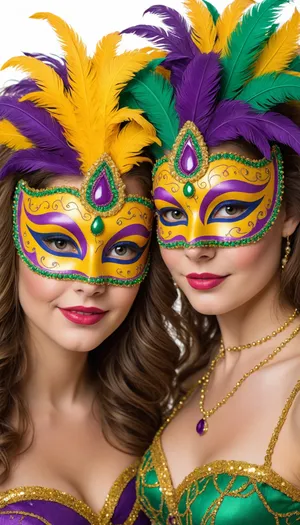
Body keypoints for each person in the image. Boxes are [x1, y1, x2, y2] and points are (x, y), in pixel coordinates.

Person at [123, 0, 300, 522]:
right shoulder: (185, 375)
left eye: (227, 208)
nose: (195, 246)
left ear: (288, 212)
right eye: (173, 214)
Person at [0, 12, 180, 524]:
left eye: (122, 248)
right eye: (59, 241)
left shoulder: (160, 410)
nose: (91, 282)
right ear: (10, 239)